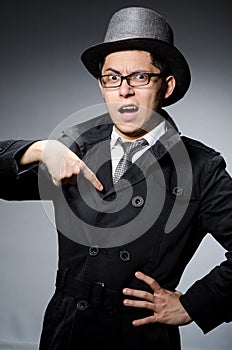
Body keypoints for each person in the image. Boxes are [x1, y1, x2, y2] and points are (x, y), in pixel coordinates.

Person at [0, 6, 231, 350]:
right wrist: (39, 148)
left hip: (139, 336)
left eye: (139, 77)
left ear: (166, 85)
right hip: (65, 331)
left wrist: (193, 304)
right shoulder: (75, 146)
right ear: (102, 85)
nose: (124, 91)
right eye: (112, 77)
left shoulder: (201, 167)